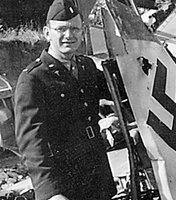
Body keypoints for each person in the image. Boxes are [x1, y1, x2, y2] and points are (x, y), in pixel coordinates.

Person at [14, 0, 117, 200]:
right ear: (46, 32)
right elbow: (33, 142)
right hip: (66, 184)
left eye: (75, 29)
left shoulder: (86, 67)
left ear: (83, 32)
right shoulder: (33, 78)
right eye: (61, 29)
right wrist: (51, 193)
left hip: (98, 175)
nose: (69, 36)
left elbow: (117, 92)